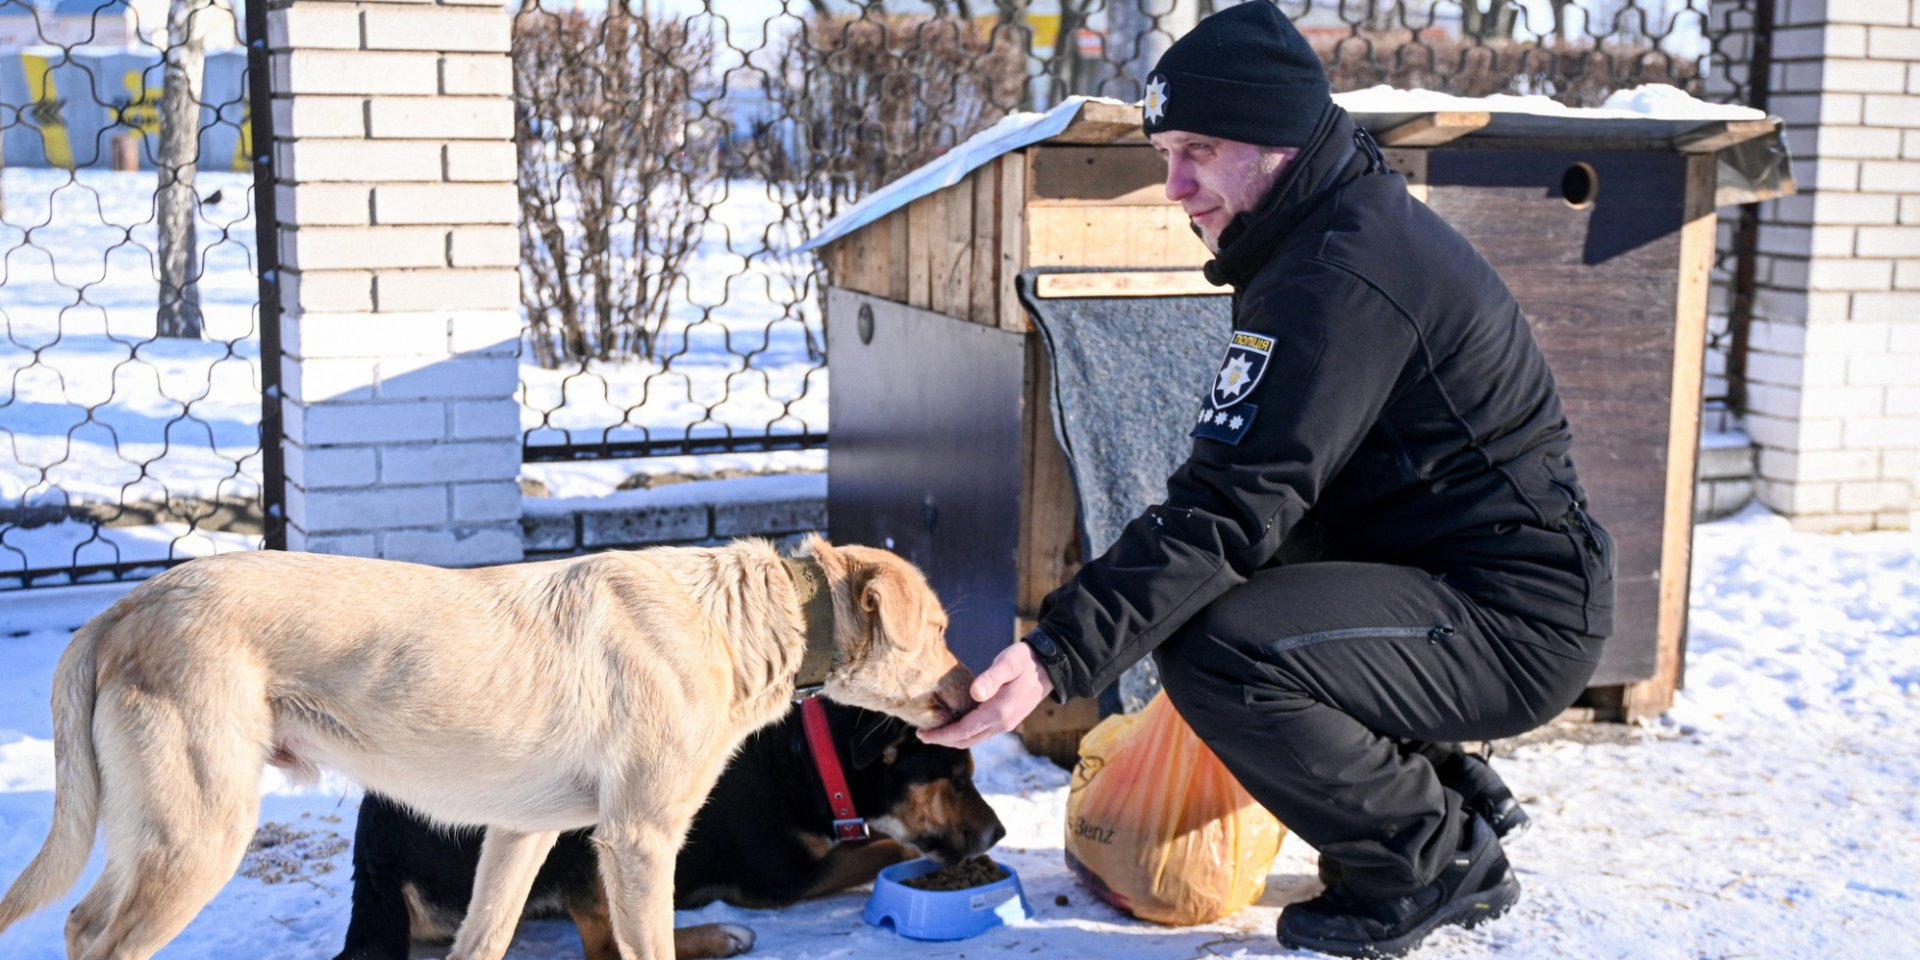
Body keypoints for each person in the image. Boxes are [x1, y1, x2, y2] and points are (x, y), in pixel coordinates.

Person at [920, 3, 1615, 957]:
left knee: (1225, 649)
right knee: (1235, 588)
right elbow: (1257, 500)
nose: (1175, 186)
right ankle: (1451, 795)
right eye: (1166, 152)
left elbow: (1227, 511)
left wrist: (1056, 655)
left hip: (1513, 619)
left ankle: (1428, 857)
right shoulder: (1325, 231)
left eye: (1200, 150)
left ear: (1279, 141)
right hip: (1462, 589)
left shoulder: (1338, 273)